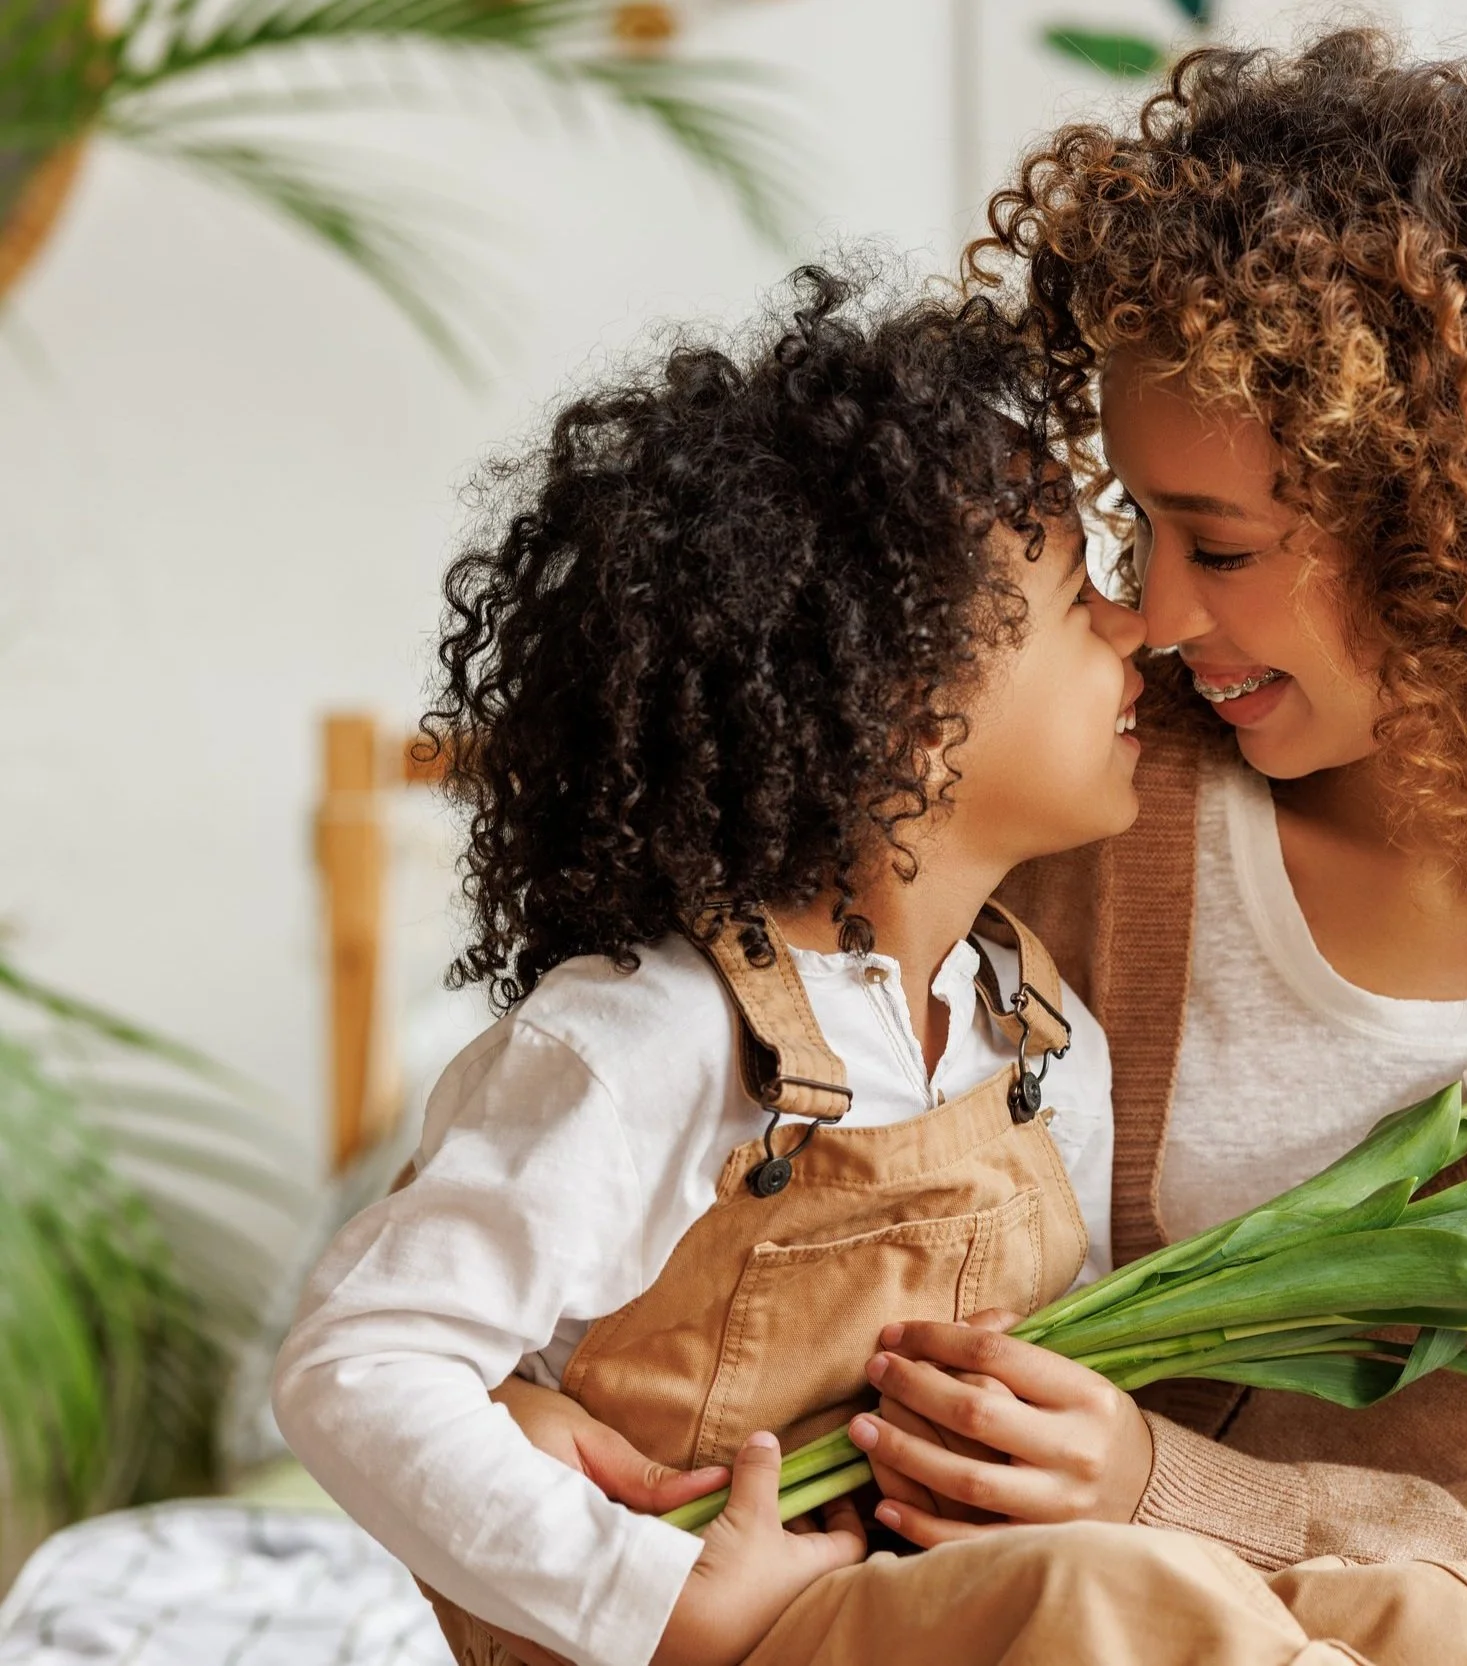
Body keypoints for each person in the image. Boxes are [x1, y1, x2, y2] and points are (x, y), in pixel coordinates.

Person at [492, 29, 1467, 1666]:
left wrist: (1172, 1488)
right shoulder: (1077, 796)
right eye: (1137, 528)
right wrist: (509, 1409)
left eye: (1222, 546)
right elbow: (629, 1145)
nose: (1157, 616)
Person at [271, 270, 1147, 1666]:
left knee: (1384, 1607)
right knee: (1113, 1607)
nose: (1138, 624)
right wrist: (658, 1603)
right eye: (1075, 600)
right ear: (908, 712)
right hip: (740, 1641)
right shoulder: (647, 1041)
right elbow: (358, 1366)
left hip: (953, 1629)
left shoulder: (1038, 1043)